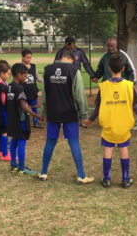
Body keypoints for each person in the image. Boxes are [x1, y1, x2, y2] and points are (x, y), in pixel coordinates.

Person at [82, 54, 137, 188]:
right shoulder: (129, 85)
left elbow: (98, 107)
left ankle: (107, 179)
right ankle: (125, 179)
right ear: (123, 68)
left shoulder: (103, 86)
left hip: (109, 123)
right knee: (123, 149)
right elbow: (135, 106)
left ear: (109, 68)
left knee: (108, 149)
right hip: (123, 124)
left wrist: (89, 120)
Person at [39, 50, 94, 184]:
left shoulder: (48, 70)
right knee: (74, 142)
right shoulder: (74, 70)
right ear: (71, 60)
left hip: (53, 112)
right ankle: (81, 175)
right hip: (69, 113)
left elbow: (44, 94)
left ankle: (43, 172)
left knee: (50, 142)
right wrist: (84, 114)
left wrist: (44, 112)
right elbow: (79, 94)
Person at [7, 63, 44, 175]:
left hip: (12, 120)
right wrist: (37, 116)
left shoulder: (9, 87)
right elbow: (23, 106)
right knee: (22, 142)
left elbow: (14, 103)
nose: (26, 78)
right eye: (25, 76)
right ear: (19, 75)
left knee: (14, 141)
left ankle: (13, 165)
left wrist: (30, 106)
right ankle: (22, 168)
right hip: (21, 120)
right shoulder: (20, 88)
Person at [21, 49, 44, 129]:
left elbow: (38, 78)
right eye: (27, 57)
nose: (29, 59)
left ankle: (36, 122)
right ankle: (25, 124)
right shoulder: (19, 67)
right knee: (25, 108)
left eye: (30, 57)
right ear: (22, 58)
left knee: (34, 107)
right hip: (23, 92)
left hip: (33, 91)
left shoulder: (34, 66)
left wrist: (46, 81)